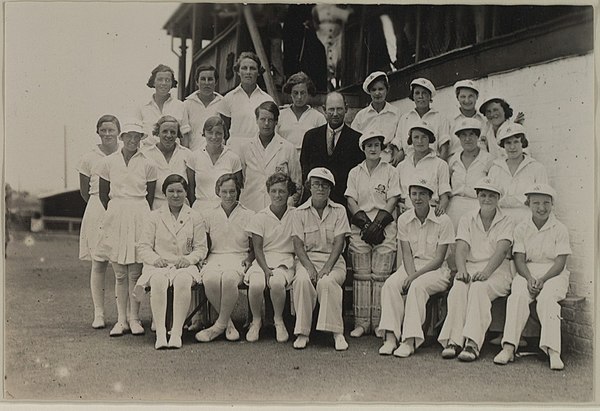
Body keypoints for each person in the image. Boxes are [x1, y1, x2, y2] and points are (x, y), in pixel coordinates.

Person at [494, 184, 571, 370]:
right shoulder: (521, 228)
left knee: (547, 299)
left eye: (546, 203)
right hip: (526, 272)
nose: (541, 208)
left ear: (552, 204)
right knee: (517, 297)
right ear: (528, 204)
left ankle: (553, 352)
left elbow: (560, 262)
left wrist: (543, 280)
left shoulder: (560, 228)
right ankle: (509, 347)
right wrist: (528, 278)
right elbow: (519, 259)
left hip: (554, 274)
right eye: (536, 203)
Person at [438, 177, 514, 362]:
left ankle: (472, 343)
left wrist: (487, 273)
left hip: (498, 271)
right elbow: (462, 246)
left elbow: (502, 249)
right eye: (483, 195)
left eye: (491, 196)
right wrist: (462, 270)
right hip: (472, 267)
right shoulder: (467, 218)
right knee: (458, 287)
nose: (487, 199)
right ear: (477, 197)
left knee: (479, 288)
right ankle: (454, 341)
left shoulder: (507, 220)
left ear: (498, 198)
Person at [378, 178, 454, 357]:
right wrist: (410, 275)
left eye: (422, 194)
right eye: (414, 194)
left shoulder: (444, 220)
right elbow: (406, 254)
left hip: (437, 271)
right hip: (411, 266)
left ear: (430, 196)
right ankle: (390, 337)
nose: (417, 198)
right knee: (390, 285)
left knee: (418, 288)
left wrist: (414, 278)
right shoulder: (404, 219)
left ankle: (409, 340)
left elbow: (439, 259)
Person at [96, 122, 157, 336]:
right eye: (129, 136)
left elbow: (149, 196)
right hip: (116, 213)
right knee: (120, 273)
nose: (133, 140)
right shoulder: (108, 162)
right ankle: (121, 320)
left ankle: (135, 318)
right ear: (122, 137)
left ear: (141, 138)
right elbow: (104, 194)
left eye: (137, 137)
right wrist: (118, 211)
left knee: (135, 272)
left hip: (139, 213)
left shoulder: (149, 163)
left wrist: (136, 212)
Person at [136, 174, 207, 349]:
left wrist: (188, 259)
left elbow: (201, 248)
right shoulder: (154, 216)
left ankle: (176, 333)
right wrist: (155, 259)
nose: (176, 195)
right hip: (158, 265)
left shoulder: (195, 216)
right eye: (171, 191)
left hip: (184, 265)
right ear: (165, 193)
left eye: (180, 191)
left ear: (185, 193)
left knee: (182, 280)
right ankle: (160, 333)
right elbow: (143, 246)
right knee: (158, 281)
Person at [345, 130, 400, 338]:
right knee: (361, 276)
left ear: (382, 148)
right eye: (369, 146)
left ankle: (379, 323)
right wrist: (366, 225)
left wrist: (378, 224)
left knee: (381, 276)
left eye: (377, 145)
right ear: (363, 148)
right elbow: (351, 200)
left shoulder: (390, 171)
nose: (373, 149)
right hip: (361, 227)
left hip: (384, 227)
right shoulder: (355, 172)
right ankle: (361, 323)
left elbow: (393, 198)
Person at [291, 167, 351, 351]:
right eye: (316, 184)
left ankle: (336, 333)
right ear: (309, 187)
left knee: (327, 282)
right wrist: (309, 268)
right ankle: (303, 332)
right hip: (306, 260)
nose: (320, 189)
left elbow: (339, 243)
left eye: (325, 185)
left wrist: (326, 268)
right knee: (302, 280)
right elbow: (298, 245)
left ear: (330, 189)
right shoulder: (299, 212)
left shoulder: (339, 210)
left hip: (333, 261)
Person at [195, 174, 255, 342]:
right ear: (218, 192)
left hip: (239, 256)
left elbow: (254, 246)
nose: (228, 196)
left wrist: (250, 259)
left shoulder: (249, 214)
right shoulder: (208, 214)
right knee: (211, 279)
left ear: (238, 192)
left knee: (229, 279)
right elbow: (205, 244)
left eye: (232, 191)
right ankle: (227, 324)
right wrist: (202, 260)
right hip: (215, 257)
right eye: (224, 192)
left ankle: (217, 327)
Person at [77, 114, 120, 329]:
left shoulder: (125, 154)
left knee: (124, 264)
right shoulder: (88, 157)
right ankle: (99, 314)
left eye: (111, 130)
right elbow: (85, 192)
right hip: (96, 208)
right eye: (103, 130)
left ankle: (127, 316)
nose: (107, 134)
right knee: (99, 262)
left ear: (118, 132)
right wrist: (100, 206)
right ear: (98, 132)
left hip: (120, 207)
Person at [245, 173, 297, 343]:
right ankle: (256, 321)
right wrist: (265, 269)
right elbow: (257, 248)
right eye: (273, 191)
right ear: (268, 192)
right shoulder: (260, 216)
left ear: (289, 193)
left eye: (282, 191)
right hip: (263, 260)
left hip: (286, 260)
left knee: (276, 283)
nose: (277, 195)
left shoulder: (296, 215)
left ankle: (278, 321)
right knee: (257, 283)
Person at [300, 92, 364, 208]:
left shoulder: (357, 140)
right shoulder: (311, 137)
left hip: (343, 205)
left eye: (339, 109)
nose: (335, 114)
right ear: (324, 110)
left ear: (346, 109)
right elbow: (305, 169)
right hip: (314, 203)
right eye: (331, 109)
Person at [238, 101, 302, 212]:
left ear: (276, 122)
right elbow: (242, 181)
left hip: (278, 210)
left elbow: (296, 184)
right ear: (256, 120)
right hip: (251, 207)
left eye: (270, 120)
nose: (266, 123)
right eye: (262, 119)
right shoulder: (245, 148)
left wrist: (289, 203)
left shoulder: (288, 148)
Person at [488, 123, 548, 223]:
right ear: (503, 145)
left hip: (527, 219)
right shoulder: (495, 169)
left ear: (522, 143)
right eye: (508, 143)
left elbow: (542, 199)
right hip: (500, 219)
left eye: (516, 142)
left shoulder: (536, 168)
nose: (512, 147)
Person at [218, 52, 275, 154]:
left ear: (258, 72)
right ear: (238, 71)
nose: (248, 72)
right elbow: (223, 129)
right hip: (234, 151)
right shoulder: (229, 98)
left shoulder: (267, 99)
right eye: (244, 68)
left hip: (259, 150)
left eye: (252, 68)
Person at [186, 116, 243, 213]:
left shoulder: (233, 158)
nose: (214, 137)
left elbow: (237, 190)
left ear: (224, 134)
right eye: (210, 133)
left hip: (224, 210)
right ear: (204, 133)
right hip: (200, 210)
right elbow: (190, 189)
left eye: (218, 133)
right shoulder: (194, 157)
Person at [446, 117, 494, 230]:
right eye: (463, 135)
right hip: (454, 207)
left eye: (471, 134)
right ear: (459, 138)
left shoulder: (488, 159)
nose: (467, 139)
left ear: (477, 136)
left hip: (477, 206)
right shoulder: (453, 159)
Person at [396, 120, 450, 216]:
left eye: (424, 137)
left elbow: (444, 198)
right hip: (406, 214)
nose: (420, 141)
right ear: (411, 140)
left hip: (430, 213)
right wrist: (399, 204)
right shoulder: (401, 166)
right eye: (416, 137)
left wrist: (438, 213)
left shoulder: (441, 164)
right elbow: (396, 196)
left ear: (430, 139)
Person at [390, 78, 450, 163]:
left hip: (432, 163)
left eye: (424, 93)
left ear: (430, 96)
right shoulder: (405, 118)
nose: (420, 97)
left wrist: (440, 167)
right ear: (413, 96)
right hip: (409, 165)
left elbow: (444, 147)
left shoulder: (440, 118)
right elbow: (397, 143)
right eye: (417, 93)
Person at [143, 116, 192, 211]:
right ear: (158, 133)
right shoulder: (146, 154)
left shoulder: (187, 154)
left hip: (182, 208)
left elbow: (191, 188)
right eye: (165, 131)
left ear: (178, 134)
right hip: (156, 208)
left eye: (173, 132)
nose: (169, 135)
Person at [350, 71, 400, 163]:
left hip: (389, 159)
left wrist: (396, 148)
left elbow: (400, 135)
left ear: (387, 90)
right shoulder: (361, 116)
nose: (377, 93)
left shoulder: (395, 113)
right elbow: (354, 138)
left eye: (381, 89)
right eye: (374, 90)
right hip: (367, 160)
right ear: (369, 92)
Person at [134, 64, 189, 147]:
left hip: (173, 155)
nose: (163, 83)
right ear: (153, 82)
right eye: (160, 79)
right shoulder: (142, 107)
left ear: (172, 83)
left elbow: (185, 136)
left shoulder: (180, 106)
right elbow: (136, 135)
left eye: (167, 80)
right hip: (148, 154)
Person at [276, 72, 327, 157]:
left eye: (303, 93)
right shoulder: (280, 115)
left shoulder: (318, 118)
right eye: (295, 93)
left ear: (308, 93)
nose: (299, 97)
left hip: (309, 160)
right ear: (290, 93)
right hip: (284, 158)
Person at [182, 65, 223, 151]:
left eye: (210, 79)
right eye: (203, 79)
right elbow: (185, 135)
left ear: (216, 82)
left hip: (217, 155)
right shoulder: (187, 104)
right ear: (197, 82)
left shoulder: (223, 103)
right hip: (194, 154)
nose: (207, 83)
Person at [447, 80, 486, 158]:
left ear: (477, 97)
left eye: (471, 96)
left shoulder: (485, 121)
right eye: (463, 96)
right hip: (456, 165)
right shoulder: (449, 121)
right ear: (457, 98)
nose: (467, 100)